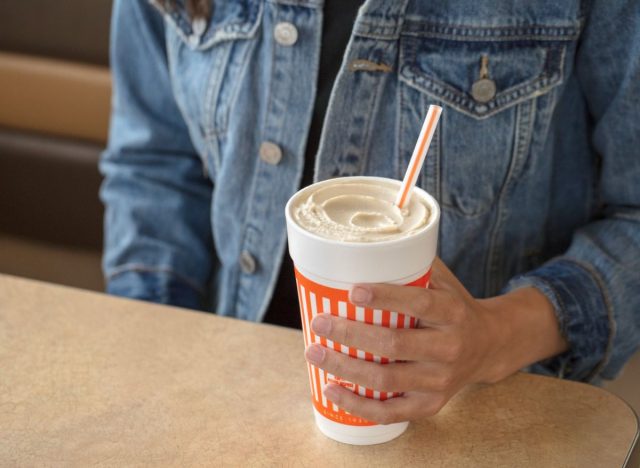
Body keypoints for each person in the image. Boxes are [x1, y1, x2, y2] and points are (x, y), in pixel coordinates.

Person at [100, 0, 640, 424]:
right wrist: (155, 342)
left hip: (483, 417)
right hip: (229, 393)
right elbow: (156, 163)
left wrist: (494, 337)